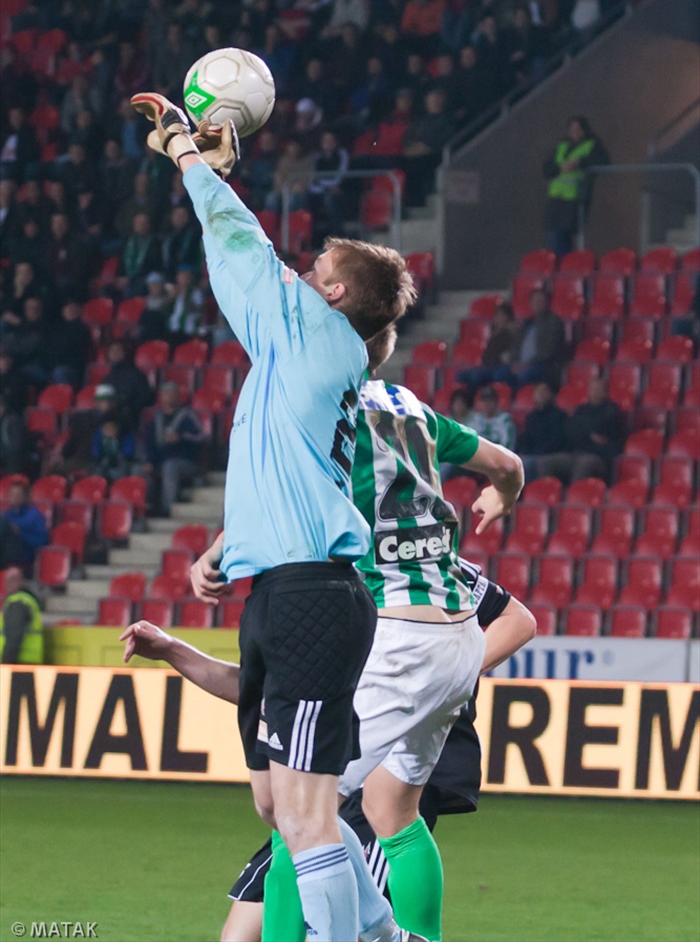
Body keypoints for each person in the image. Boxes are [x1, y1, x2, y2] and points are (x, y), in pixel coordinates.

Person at [129, 91, 415, 941]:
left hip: (314, 598)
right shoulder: (308, 352)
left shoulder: (318, 335)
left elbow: (241, 245)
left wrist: (185, 153)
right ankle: (384, 936)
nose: (302, 272)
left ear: (333, 293)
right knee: (275, 799)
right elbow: (290, 468)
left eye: (316, 269)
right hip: (283, 586)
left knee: (304, 813)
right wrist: (230, 542)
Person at [187, 324, 524, 941]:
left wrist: (215, 553)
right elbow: (506, 465)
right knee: (393, 811)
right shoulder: (411, 409)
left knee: (300, 810)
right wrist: (501, 498)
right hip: (450, 632)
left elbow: (283, 496)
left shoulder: (323, 410)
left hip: (395, 634)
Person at [119, 570, 536, 942]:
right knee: (239, 932)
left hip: (370, 772)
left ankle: (404, 935)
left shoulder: (399, 564)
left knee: (348, 819)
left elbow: (518, 620)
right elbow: (257, 691)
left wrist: (435, 679)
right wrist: (174, 649)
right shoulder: (306, 598)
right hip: (326, 755)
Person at [537, 376, 626, 484]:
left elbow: (614, 441)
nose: (595, 392)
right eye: (592, 389)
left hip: (599, 457)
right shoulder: (581, 410)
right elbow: (571, 431)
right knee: (546, 462)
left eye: (598, 389)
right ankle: (548, 495)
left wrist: (590, 437)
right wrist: (590, 435)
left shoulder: (612, 411)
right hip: (576, 452)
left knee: (584, 464)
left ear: (605, 392)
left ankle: (575, 497)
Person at [542, 116, 609, 256]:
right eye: (572, 130)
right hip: (556, 198)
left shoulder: (592, 145)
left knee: (565, 235)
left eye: (578, 130)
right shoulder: (562, 146)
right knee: (554, 234)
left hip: (575, 198)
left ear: (584, 130)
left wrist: (579, 162)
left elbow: (603, 161)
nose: (575, 133)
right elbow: (546, 168)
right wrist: (560, 168)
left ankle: (566, 269)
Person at [143, 382, 205, 516]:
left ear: (178, 396)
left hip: (186, 461)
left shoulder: (188, 415)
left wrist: (181, 438)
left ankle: (167, 509)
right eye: (166, 394)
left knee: (170, 466)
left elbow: (200, 437)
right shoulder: (156, 418)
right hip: (160, 461)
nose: (169, 397)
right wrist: (149, 461)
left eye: (173, 393)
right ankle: (144, 510)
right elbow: (149, 443)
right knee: (140, 470)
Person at [457, 301, 518, 394]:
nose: (498, 318)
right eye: (497, 314)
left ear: (508, 317)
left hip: (498, 367)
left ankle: (469, 401)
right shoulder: (495, 333)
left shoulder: (509, 333)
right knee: (461, 375)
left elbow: (502, 355)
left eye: (502, 315)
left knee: (476, 376)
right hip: (487, 366)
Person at [511, 287, 567, 389]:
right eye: (535, 300)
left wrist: (527, 364)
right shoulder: (526, 323)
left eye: (540, 301)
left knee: (523, 376)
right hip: (521, 365)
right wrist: (515, 362)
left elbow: (547, 352)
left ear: (547, 303)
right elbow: (516, 346)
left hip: (544, 367)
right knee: (499, 374)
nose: (537, 303)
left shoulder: (554, 322)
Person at [517, 381, 569, 482]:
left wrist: (536, 454)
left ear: (550, 394)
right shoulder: (531, 417)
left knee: (529, 464)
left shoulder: (559, 415)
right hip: (533, 454)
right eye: (538, 391)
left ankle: (527, 493)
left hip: (551, 454)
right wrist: (522, 452)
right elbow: (526, 438)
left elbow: (557, 440)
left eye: (544, 391)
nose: (541, 394)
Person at [0, 478, 49, 569]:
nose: (14, 497)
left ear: (25, 496)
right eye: (12, 494)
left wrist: (19, 532)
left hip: (24, 552)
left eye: (17, 494)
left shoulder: (35, 516)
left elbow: (42, 542)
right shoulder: (6, 514)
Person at [0, 567, 44, 663]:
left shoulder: (18, 602)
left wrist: (5, 663)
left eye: (13, 580)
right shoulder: (27, 600)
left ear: (21, 581)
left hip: (20, 662)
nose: (9, 584)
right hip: (27, 662)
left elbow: (14, 636)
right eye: (8, 580)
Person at [469, 385, 516, 450]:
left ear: (496, 402)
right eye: (484, 401)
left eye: (490, 400)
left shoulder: (504, 419)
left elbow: (507, 446)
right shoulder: (476, 419)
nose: (487, 404)